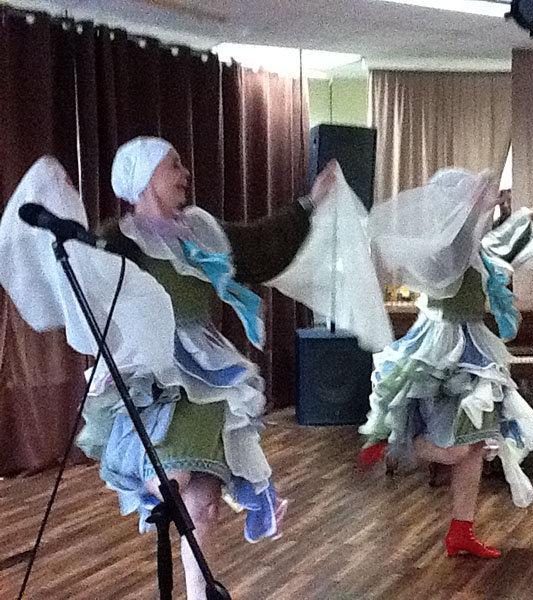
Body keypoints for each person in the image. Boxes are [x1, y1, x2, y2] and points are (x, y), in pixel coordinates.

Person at [1, 137, 335, 600]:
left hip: (206, 374)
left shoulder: (203, 232)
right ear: (143, 177)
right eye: (173, 165)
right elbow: (73, 276)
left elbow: (261, 243)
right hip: (150, 376)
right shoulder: (117, 240)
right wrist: (53, 196)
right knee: (173, 485)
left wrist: (309, 203)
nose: (184, 173)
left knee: (205, 505)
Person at [359, 169, 533, 559]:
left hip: (474, 342)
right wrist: (484, 203)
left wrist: (528, 220)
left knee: (476, 444)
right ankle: (399, 438)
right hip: (441, 344)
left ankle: (461, 530)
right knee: (456, 450)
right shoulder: (442, 245)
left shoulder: (475, 243)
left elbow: (499, 245)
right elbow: (459, 249)